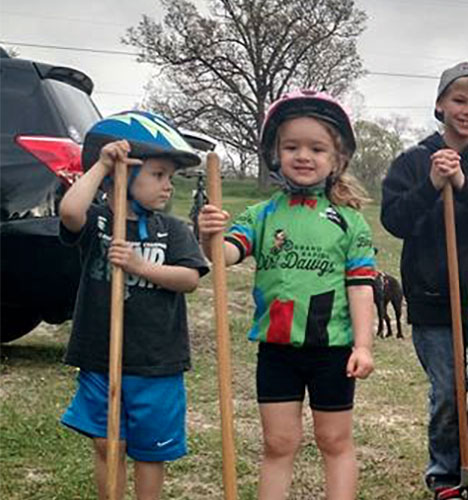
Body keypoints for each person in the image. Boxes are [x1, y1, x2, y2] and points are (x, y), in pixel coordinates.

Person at [197, 90, 376, 500]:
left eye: (317, 148)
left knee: (334, 440)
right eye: (292, 146)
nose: (303, 156)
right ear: (275, 154)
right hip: (277, 350)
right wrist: (210, 236)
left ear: (337, 159)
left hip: (332, 351)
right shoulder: (261, 215)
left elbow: (361, 288)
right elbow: (224, 256)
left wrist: (364, 346)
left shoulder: (350, 222)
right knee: (278, 443)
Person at [380, 61, 468, 499]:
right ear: (440, 104)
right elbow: (394, 220)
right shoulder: (412, 161)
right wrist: (430, 184)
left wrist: (461, 184)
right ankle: (445, 474)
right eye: (459, 100)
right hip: (430, 298)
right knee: (447, 392)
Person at [58, 110, 208, 500]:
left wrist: (141, 266)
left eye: (170, 177)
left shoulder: (172, 229)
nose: (167, 186)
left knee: (150, 451)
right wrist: (103, 165)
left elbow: (190, 279)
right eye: (158, 175)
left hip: (157, 361)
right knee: (108, 443)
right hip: (100, 356)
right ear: (120, 178)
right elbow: (69, 212)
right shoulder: (98, 222)